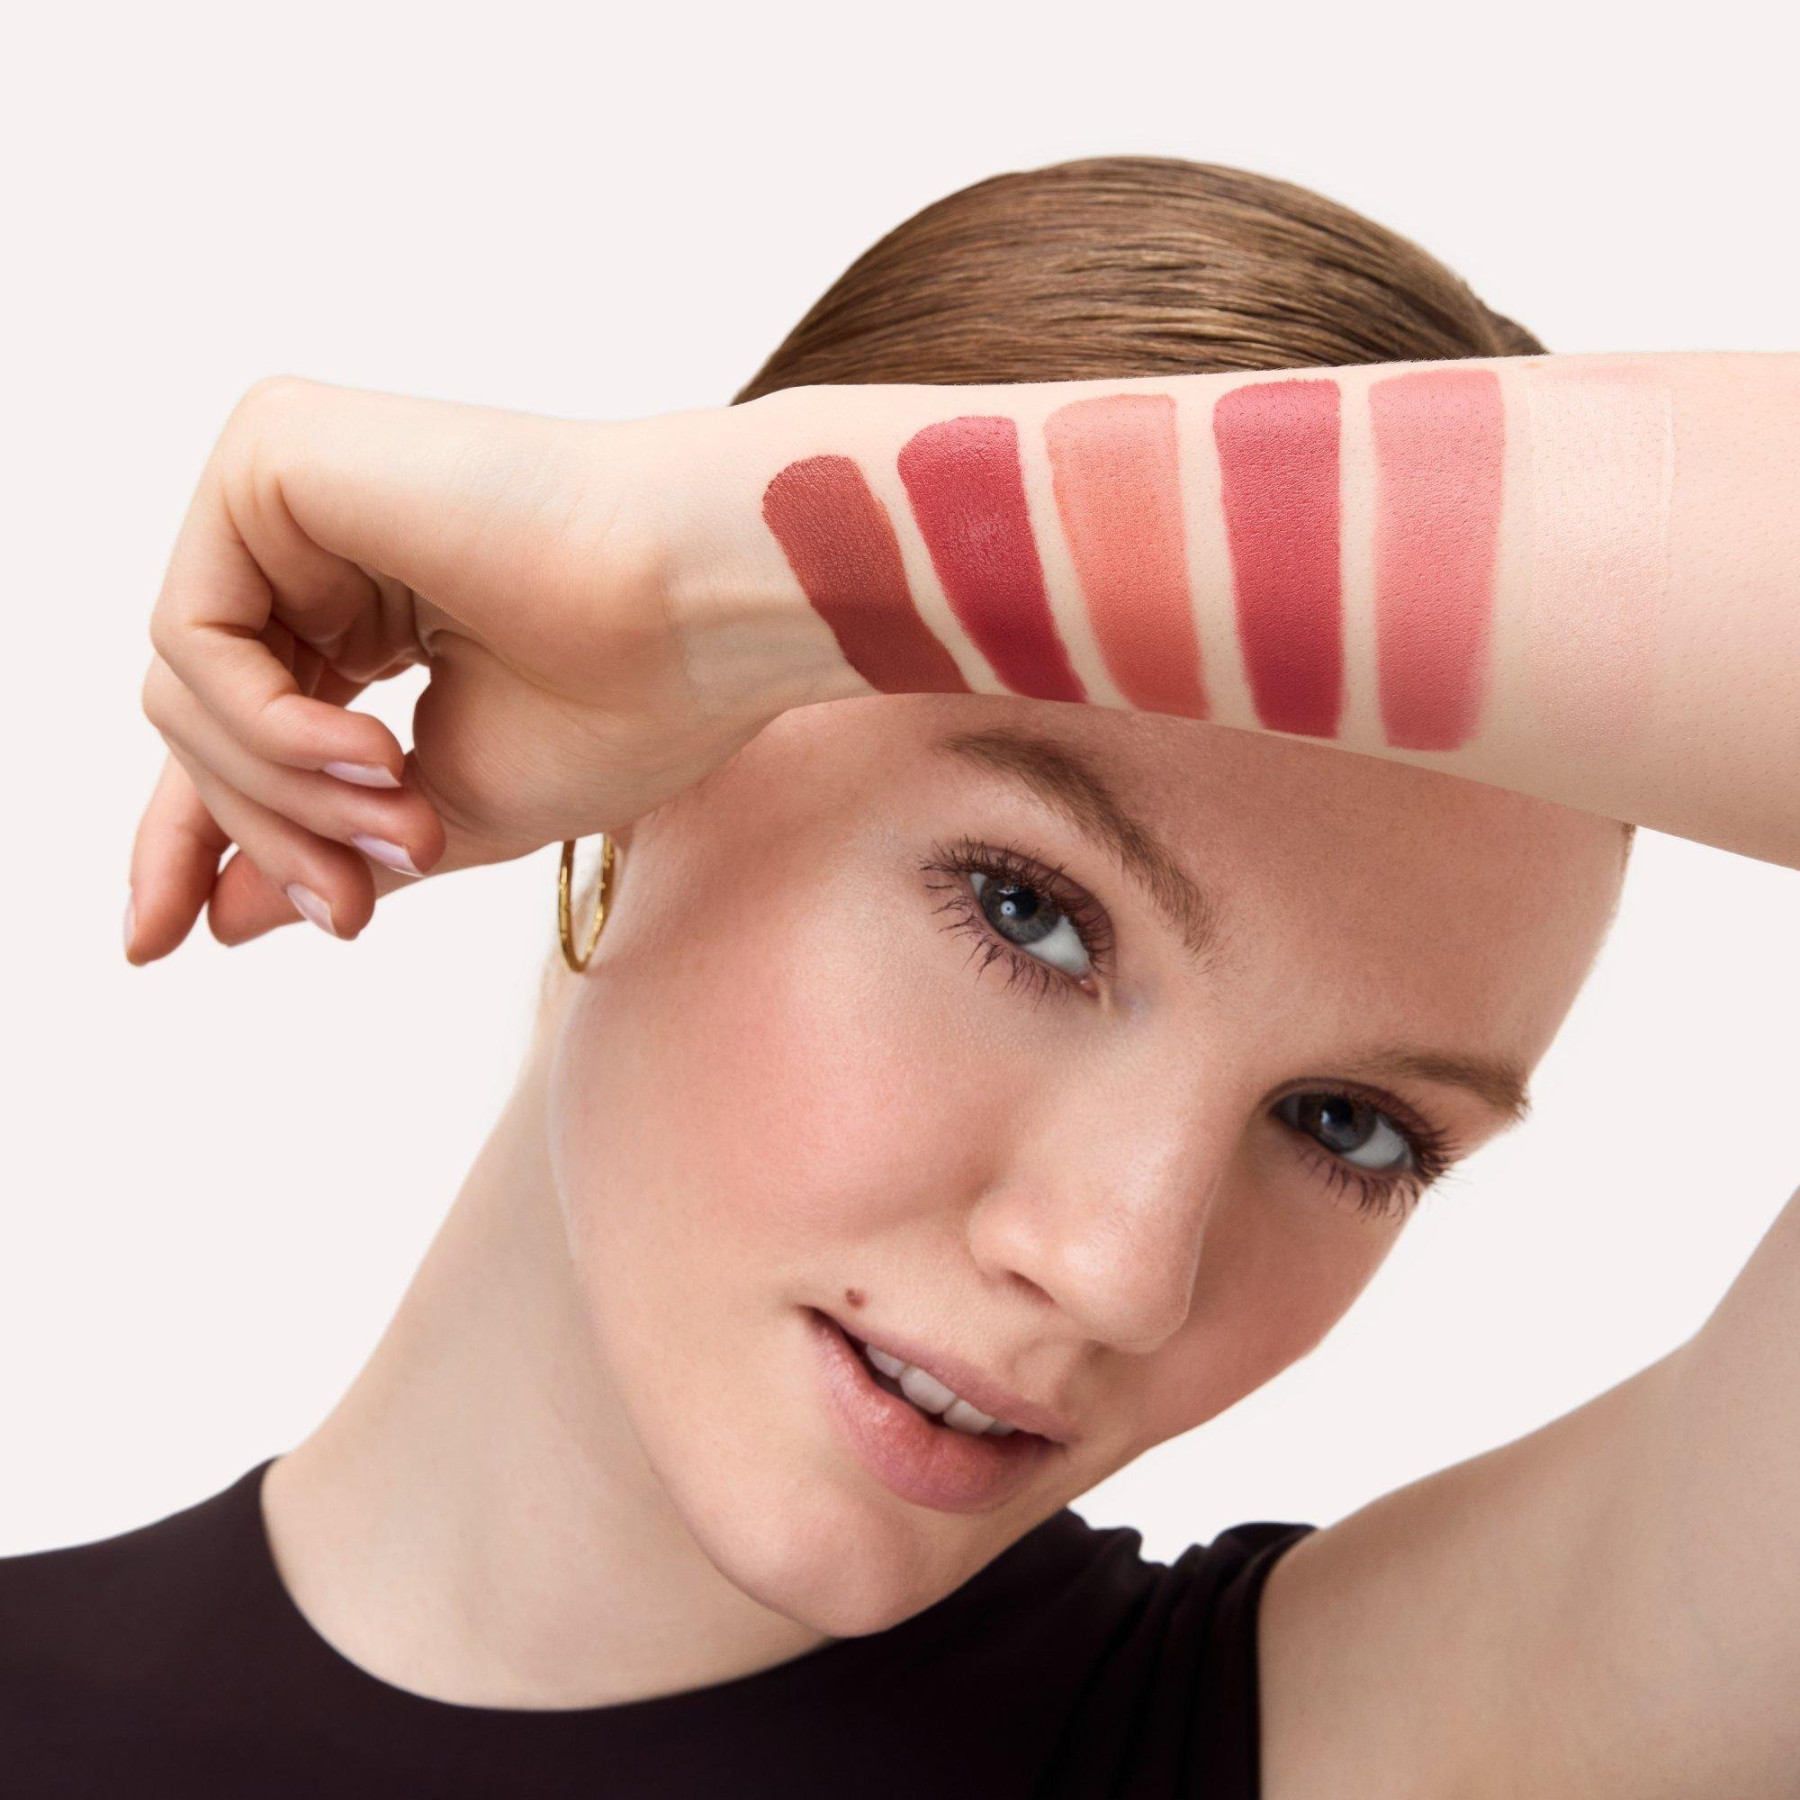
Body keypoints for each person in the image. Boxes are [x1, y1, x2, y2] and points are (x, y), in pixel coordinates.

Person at [4, 157, 1796, 1797]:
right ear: (651, 766)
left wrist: (703, 555)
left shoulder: (1403, 1741)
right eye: (1031, 913)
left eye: (1350, 1124)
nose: (1120, 1272)